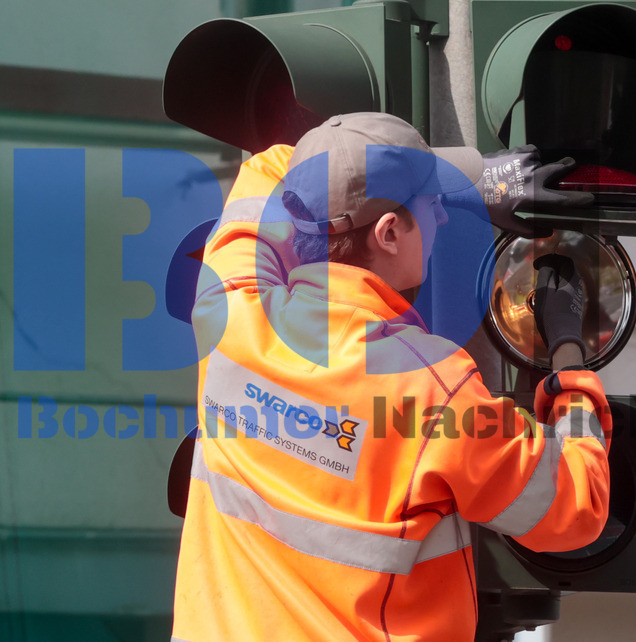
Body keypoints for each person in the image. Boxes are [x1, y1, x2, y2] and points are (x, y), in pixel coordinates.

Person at [171, 112, 612, 642]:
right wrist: (568, 350)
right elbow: (576, 505)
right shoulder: (432, 391)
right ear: (388, 233)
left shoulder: (230, 312)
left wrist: (425, 180)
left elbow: (272, 167)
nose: (444, 214)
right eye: (432, 203)